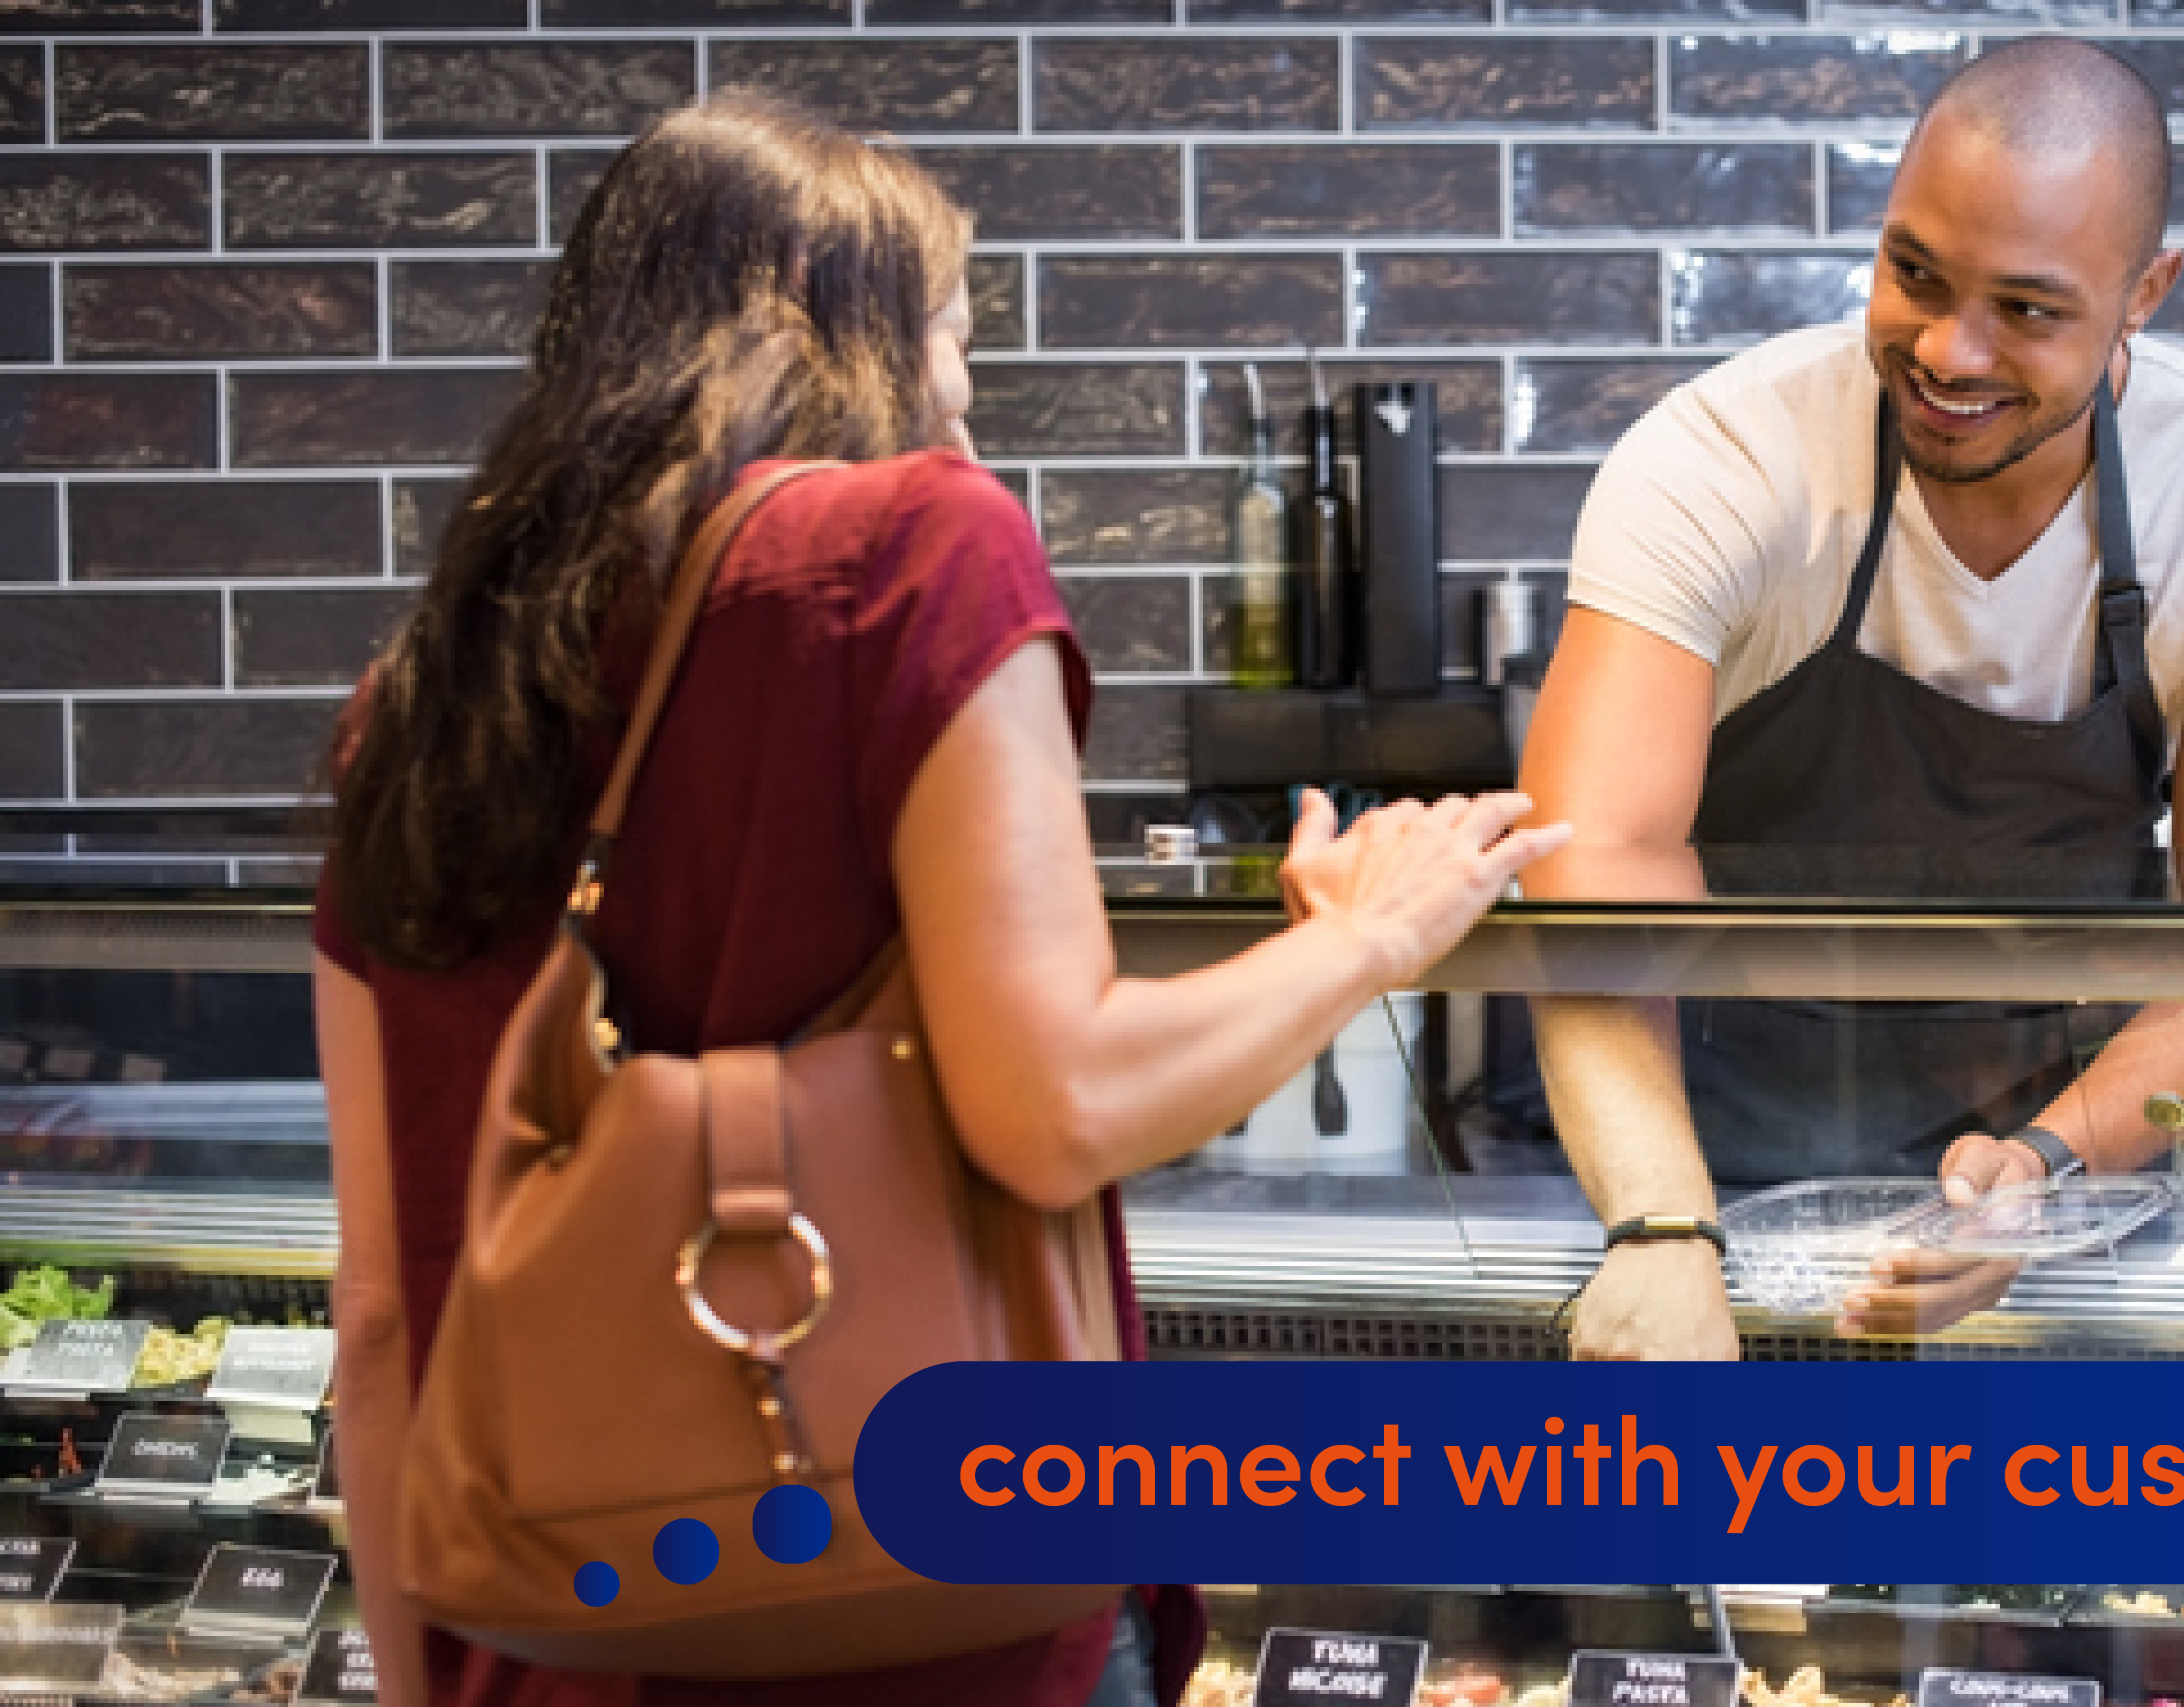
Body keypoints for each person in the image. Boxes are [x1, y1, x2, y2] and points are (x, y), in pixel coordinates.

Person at [312, 95, 1565, 1707]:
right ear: (866, 339)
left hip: (552, 1632)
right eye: (959, 340)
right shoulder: (914, 551)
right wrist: (1368, 938)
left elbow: (383, 1306)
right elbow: (1060, 1100)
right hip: (923, 1618)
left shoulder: (417, 699)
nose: (964, 407)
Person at [1516, 38, 2184, 1357]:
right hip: (1697, 1184)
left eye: (2027, 311)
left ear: (2146, 290)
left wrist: (2041, 1178)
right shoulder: (1722, 460)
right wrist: (1662, 1227)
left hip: (2064, 1205)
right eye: (1913, 274)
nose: (1948, 353)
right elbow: (1593, 881)